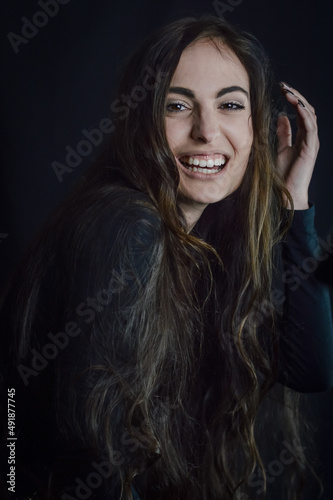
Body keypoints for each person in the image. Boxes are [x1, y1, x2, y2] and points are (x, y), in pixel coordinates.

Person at [1, 14, 332, 500]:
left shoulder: (201, 242)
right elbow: (99, 463)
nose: (206, 131)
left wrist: (294, 204)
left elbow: (312, 371)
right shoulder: (126, 223)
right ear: (142, 121)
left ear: (256, 126)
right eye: (178, 105)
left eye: (230, 105)